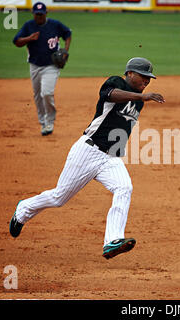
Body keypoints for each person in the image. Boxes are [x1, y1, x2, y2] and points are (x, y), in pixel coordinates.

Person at [9, 57, 165, 259]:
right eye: (143, 77)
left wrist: (139, 98)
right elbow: (111, 95)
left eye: (149, 79)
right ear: (130, 73)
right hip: (88, 151)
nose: (147, 82)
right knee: (59, 198)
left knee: (124, 187)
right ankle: (24, 209)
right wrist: (141, 97)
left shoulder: (138, 102)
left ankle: (112, 241)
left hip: (110, 158)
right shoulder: (116, 83)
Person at [13, 2, 72, 136]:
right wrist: (29, 38)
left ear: (46, 13)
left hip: (51, 66)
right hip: (34, 65)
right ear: (33, 14)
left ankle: (50, 121)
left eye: (41, 14)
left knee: (46, 93)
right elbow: (16, 41)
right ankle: (43, 122)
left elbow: (68, 33)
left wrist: (65, 51)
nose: (39, 16)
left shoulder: (55, 24)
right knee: (37, 95)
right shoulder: (29, 26)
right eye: (37, 14)